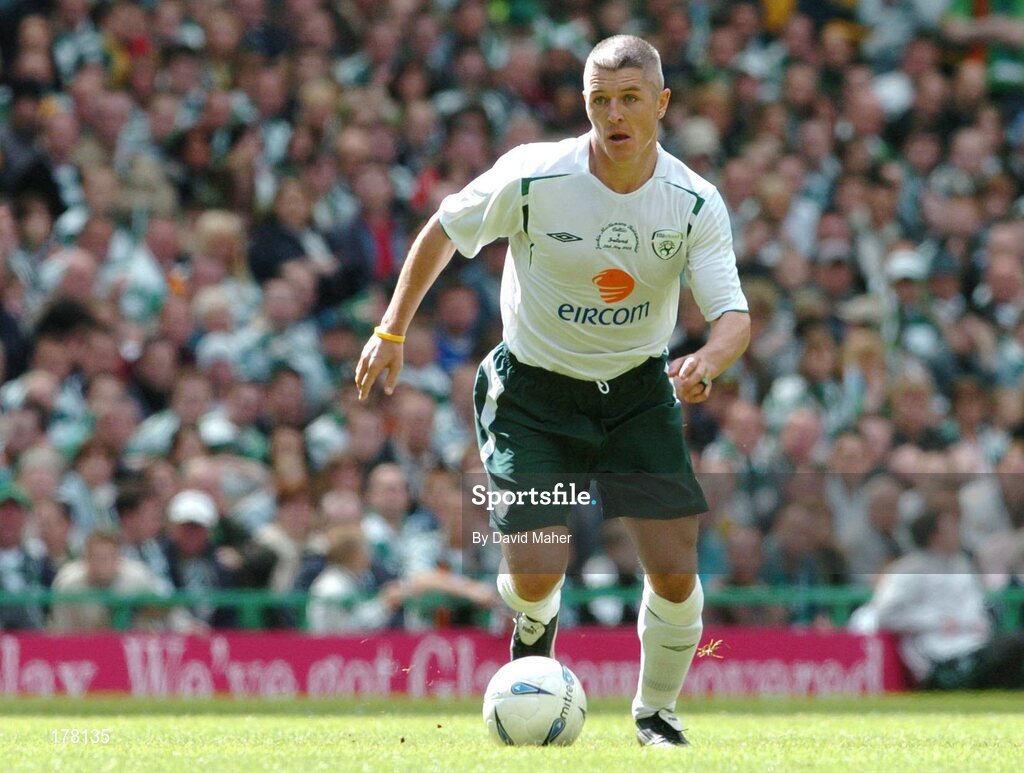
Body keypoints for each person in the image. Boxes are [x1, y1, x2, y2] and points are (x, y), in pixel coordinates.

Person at [356, 35, 750, 747]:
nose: (615, 114)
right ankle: (534, 622)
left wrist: (707, 359)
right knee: (537, 573)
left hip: (637, 391)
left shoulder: (693, 201)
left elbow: (733, 316)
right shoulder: (536, 176)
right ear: (584, 105)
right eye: (600, 100)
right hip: (533, 394)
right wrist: (390, 329)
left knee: (674, 569)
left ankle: (654, 713)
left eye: (631, 98)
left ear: (660, 103)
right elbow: (444, 229)